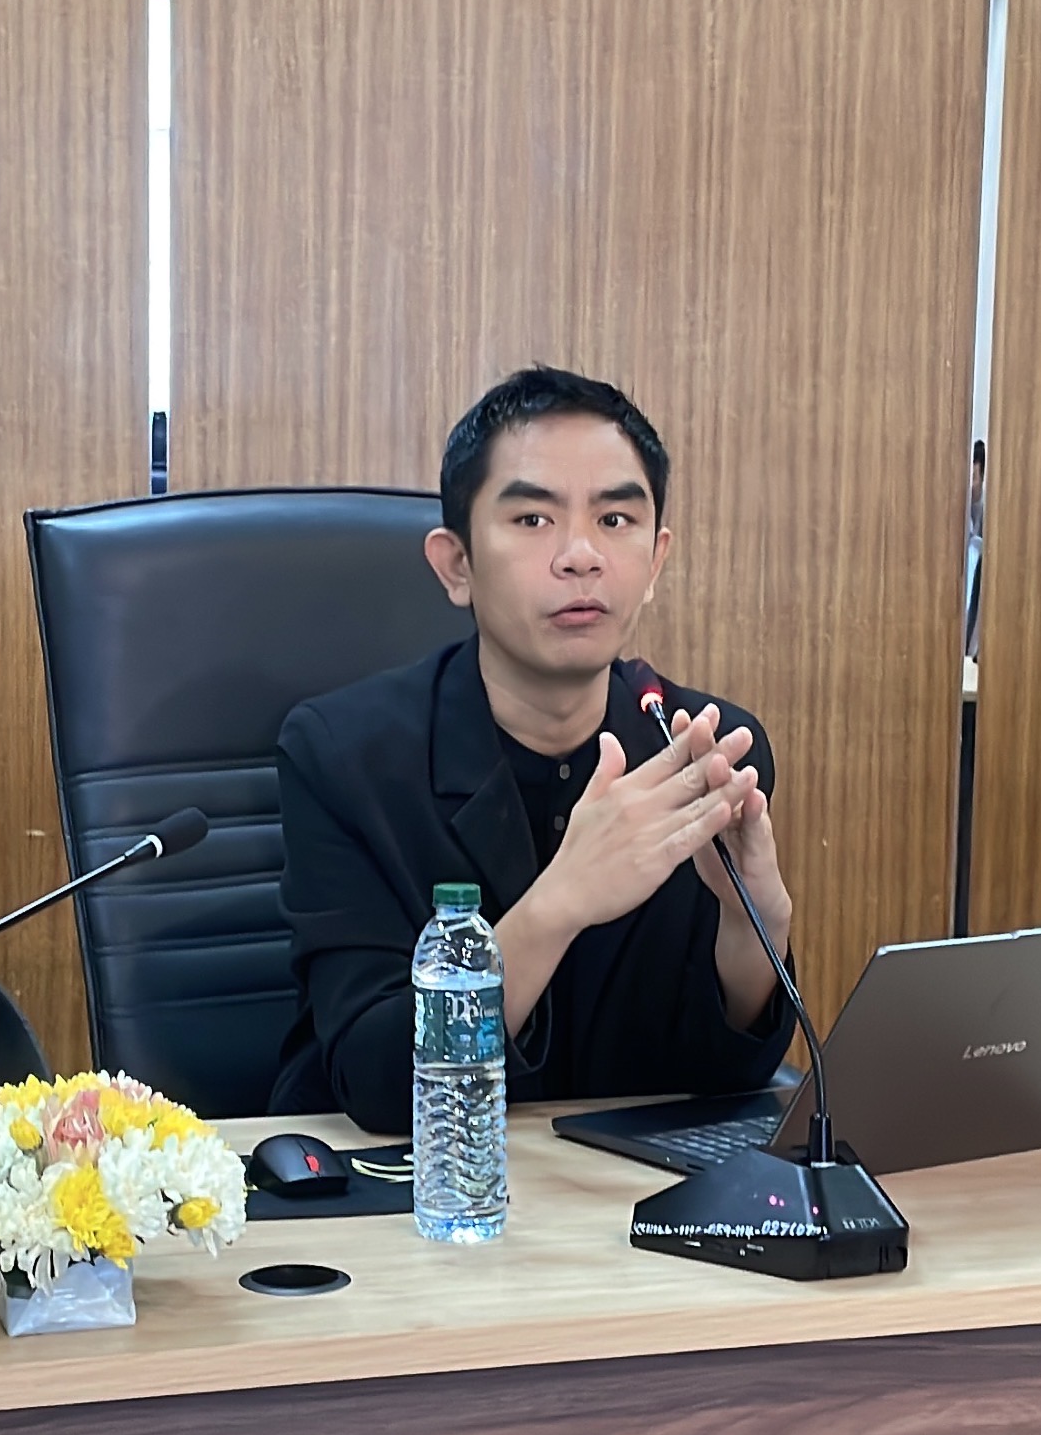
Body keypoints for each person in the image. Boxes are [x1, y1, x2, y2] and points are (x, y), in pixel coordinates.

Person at [271, 366, 795, 1132]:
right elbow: (378, 1084)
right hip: (414, 1184)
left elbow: (721, 1081)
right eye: (532, 519)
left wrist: (756, 925)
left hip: (623, 1192)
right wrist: (561, 901)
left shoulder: (699, 750)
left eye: (615, 519)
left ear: (655, 561)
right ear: (457, 565)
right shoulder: (345, 758)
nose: (581, 555)